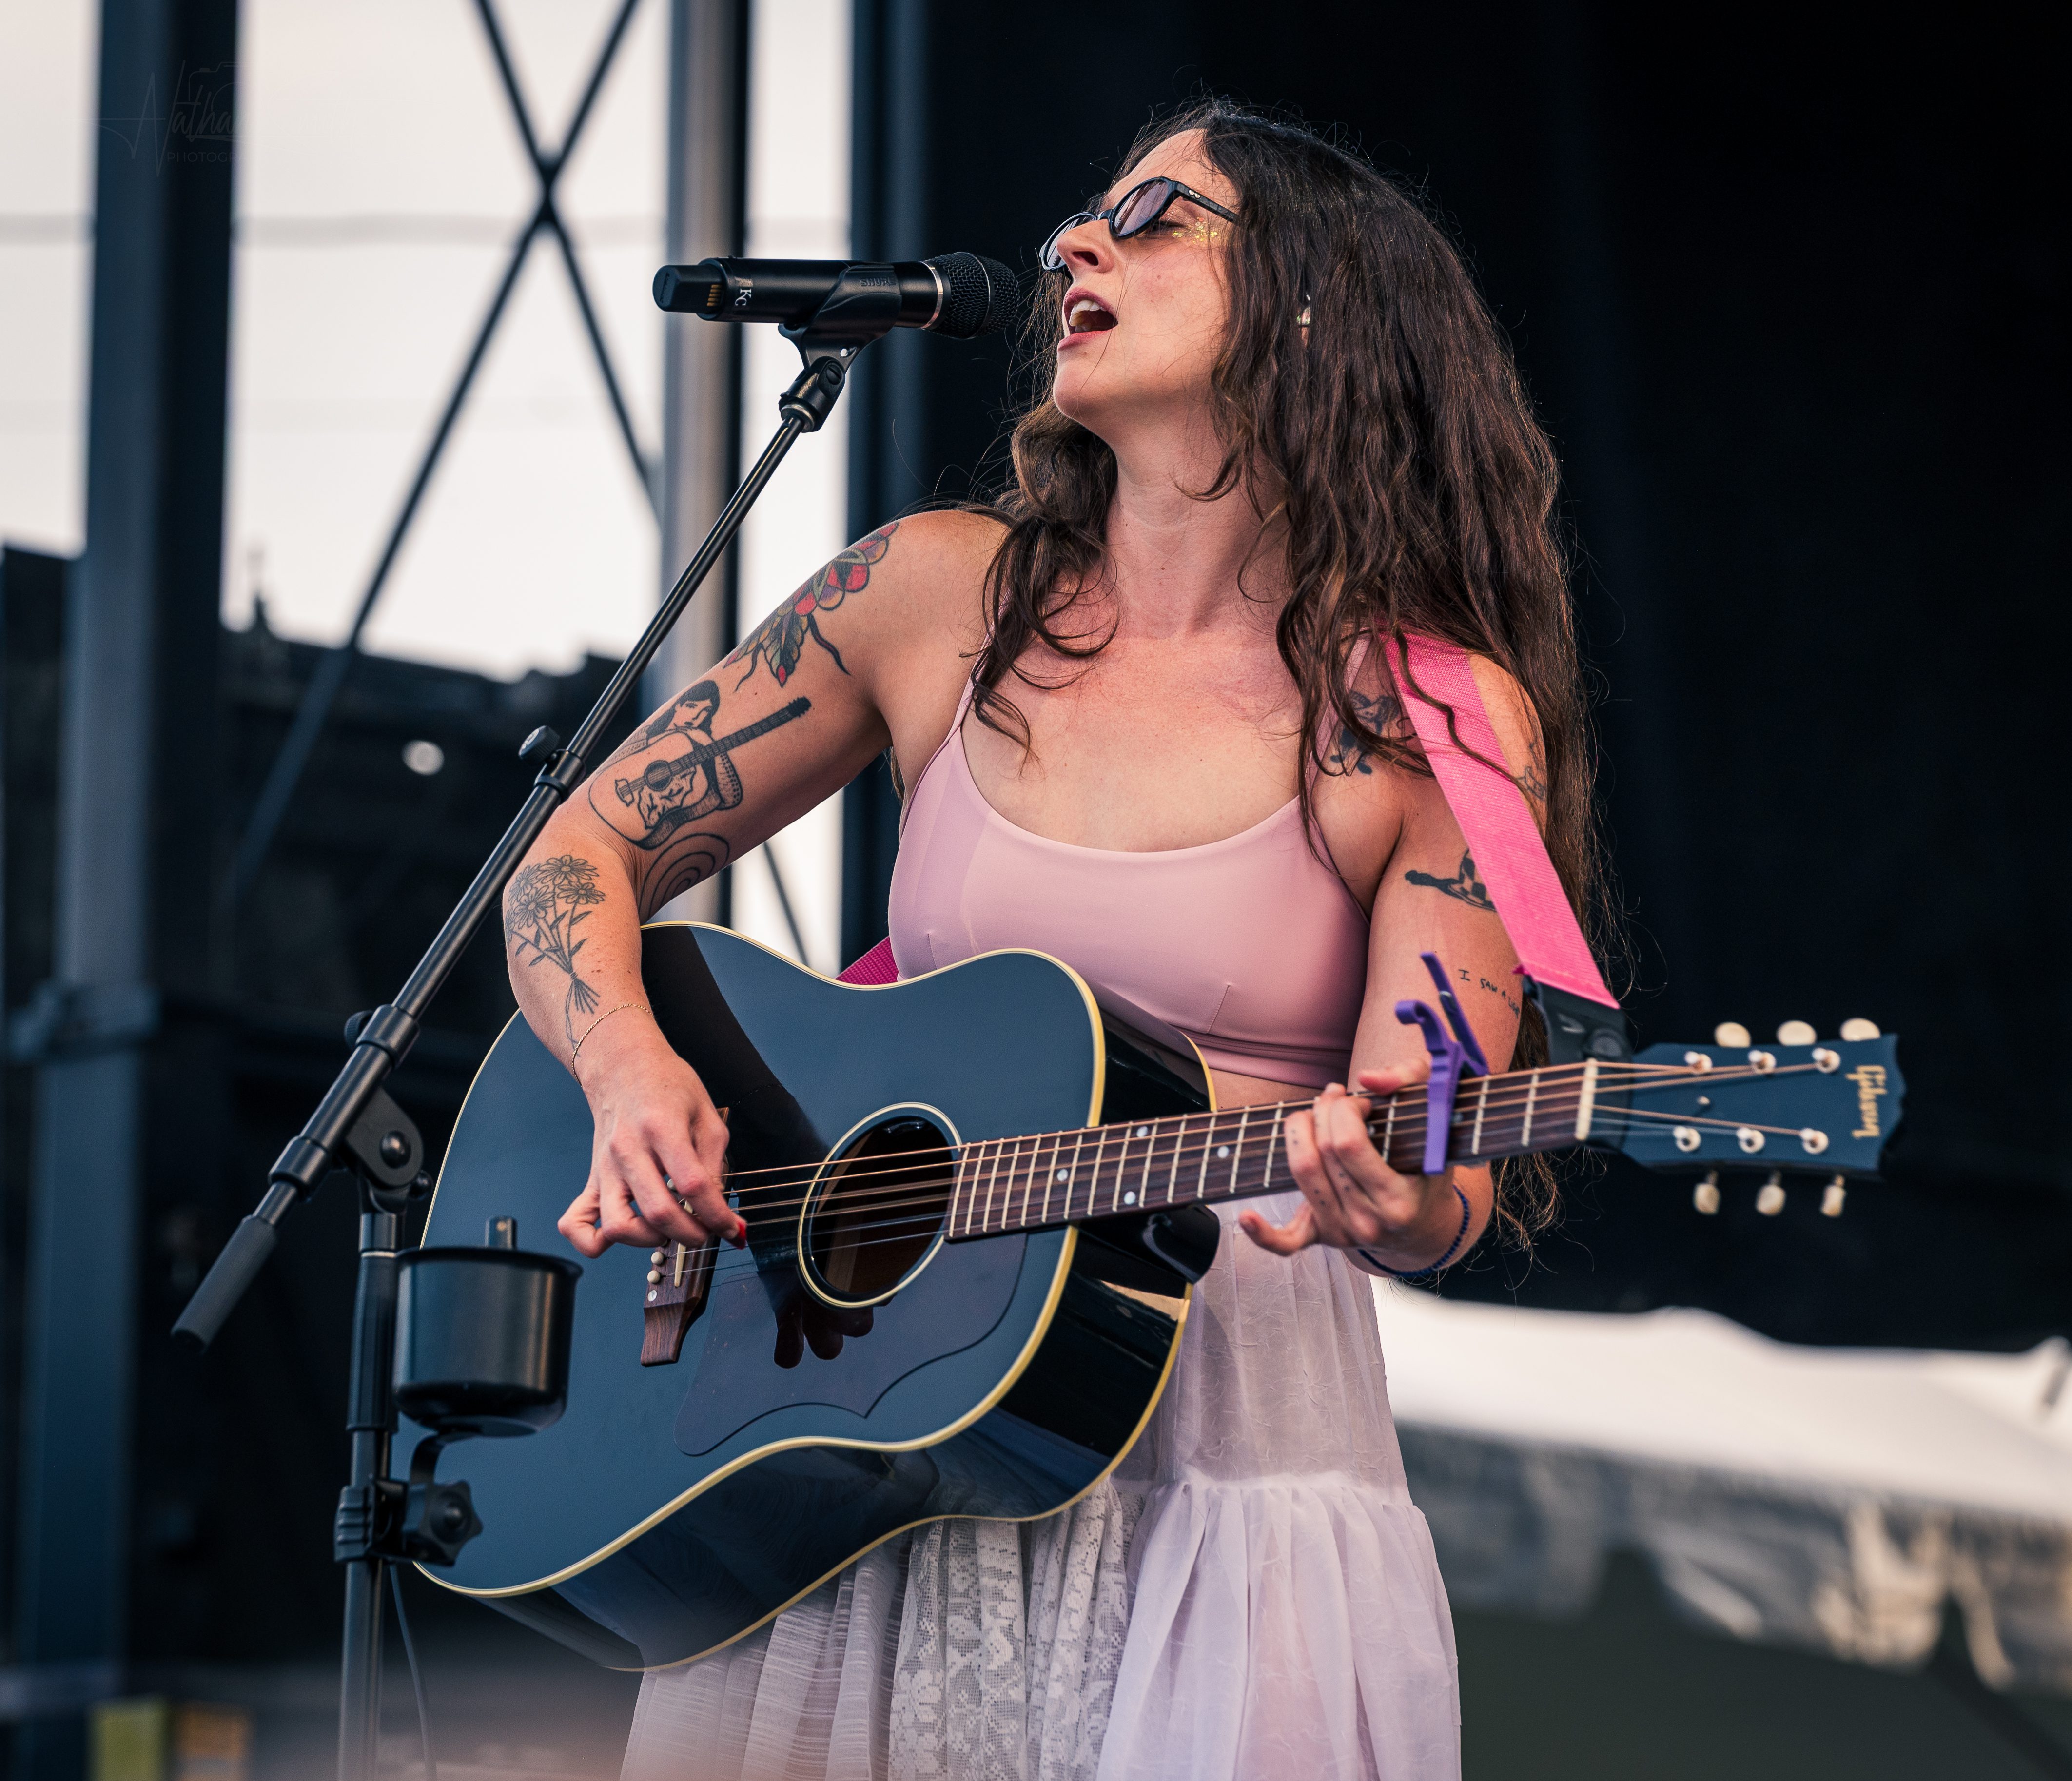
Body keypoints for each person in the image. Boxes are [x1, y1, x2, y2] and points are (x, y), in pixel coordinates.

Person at [504, 98, 1599, 1781]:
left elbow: (1436, 1147)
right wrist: (631, 1064)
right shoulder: (934, 596)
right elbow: (572, 844)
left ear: (1309, 298)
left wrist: (1407, 1190)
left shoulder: (1432, 714)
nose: (1073, 244)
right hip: (860, 1444)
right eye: (1084, 218)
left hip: (1217, 1471)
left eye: (1154, 214)